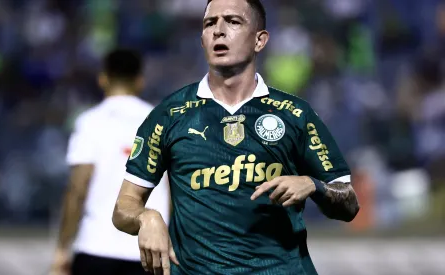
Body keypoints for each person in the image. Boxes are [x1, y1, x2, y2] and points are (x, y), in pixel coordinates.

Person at [112, 0, 360, 274]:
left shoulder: (295, 115)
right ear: (202, 40)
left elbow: (348, 203)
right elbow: (124, 207)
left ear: (259, 40)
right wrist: (146, 217)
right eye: (210, 23)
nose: (218, 30)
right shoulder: (169, 115)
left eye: (233, 21)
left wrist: (314, 185)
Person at [50, 48, 170, 275]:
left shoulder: (90, 122)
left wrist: (62, 248)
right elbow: (172, 187)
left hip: (96, 248)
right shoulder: (160, 121)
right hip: (148, 251)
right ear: (140, 81)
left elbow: (78, 188)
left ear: (103, 79)